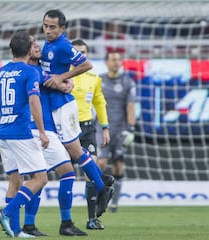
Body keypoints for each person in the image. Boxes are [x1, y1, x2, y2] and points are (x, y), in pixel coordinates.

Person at [41, 9, 114, 218]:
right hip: (56, 105)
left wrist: (63, 76)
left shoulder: (63, 45)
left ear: (62, 28)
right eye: (45, 26)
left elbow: (86, 64)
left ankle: (102, 186)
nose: (48, 30)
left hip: (64, 107)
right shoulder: (49, 44)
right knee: (73, 156)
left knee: (75, 152)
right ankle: (103, 183)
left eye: (52, 27)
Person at [0, 31, 49, 238]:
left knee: (15, 181)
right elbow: (34, 100)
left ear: (11, 50)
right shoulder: (30, 72)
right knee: (40, 178)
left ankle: (16, 231)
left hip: (2, 133)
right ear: (30, 51)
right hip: (20, 132)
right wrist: (43, 131)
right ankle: (7, 213)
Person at [22, 36, 87, 237]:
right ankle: (63, 223)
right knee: (64, 173)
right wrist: (65, 84)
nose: (37, 46)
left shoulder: (32, 69)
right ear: (26, 51)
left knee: (39, 178)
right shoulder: (33, 71)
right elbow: (59, 84)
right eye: (33, 45)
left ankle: (29, 225)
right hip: (41, 131)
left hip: (33, 131)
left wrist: (67, 81)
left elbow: (57, 80)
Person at [70, 38, 113, 230]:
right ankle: (104, 180)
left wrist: (105, 127)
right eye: (77, 52)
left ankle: (92, 219)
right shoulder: (63, 76)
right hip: (67, 129)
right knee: (63, 173)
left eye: (84, 52)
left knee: (90, 171)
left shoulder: (94, 78)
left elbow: (99, 102)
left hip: (87, 129)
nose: (80, 55)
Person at [97, 50, 137, 213]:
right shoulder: (98, 80)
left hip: (120, 130)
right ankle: (99, 197)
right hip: (102, 127)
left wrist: (131, 128)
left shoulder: (128, 82)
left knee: (118, 166)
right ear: (106, 62)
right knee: (100, 163)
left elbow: (130, 106)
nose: (116, 62)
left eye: (119, 60)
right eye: (113, 59)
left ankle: (114, 203)